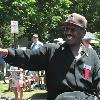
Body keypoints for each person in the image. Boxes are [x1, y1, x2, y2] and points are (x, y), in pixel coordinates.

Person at [0, 13, 100, 100]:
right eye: (66, 28)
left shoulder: (92, 56)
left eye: (73, 29)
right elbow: (27, 56)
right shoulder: (51, 51)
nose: (68, 32)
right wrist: (4, 52)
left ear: (83, 32)